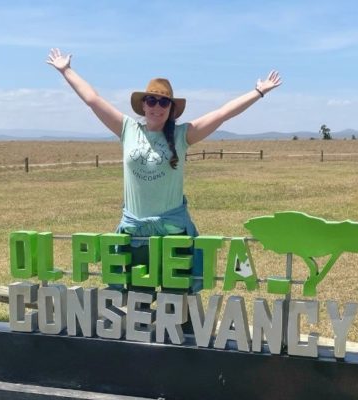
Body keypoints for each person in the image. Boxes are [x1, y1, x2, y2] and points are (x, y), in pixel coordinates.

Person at [46, 48, 282, 292]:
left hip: (173, 233)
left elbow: (222, 114)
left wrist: (258, 92)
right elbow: (92, 100)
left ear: (171, 108)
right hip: (135, 234)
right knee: (140, 298)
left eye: (163, 102)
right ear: (143, 105)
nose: (156, 107)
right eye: (151, 100)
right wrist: (66, 70)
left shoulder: (183, 135)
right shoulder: (127, 129)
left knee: (176, 299)